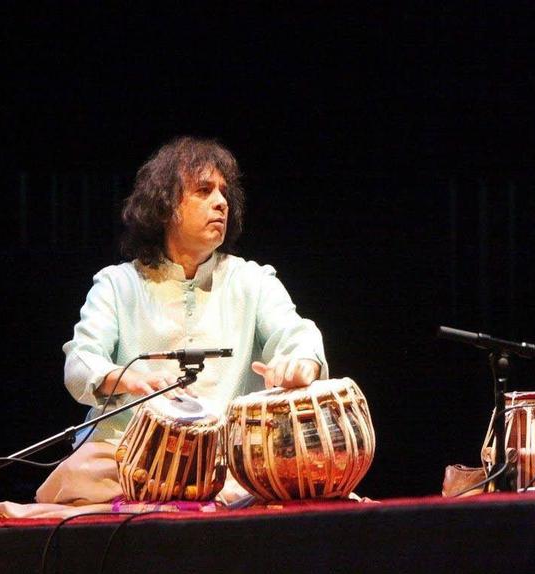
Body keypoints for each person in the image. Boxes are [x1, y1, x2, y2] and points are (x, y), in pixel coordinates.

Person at [36, 137, 328, 504]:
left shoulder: (251, 282)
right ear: (164, 207)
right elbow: (80, 363)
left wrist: (300, 363)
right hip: (126, 460)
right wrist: (129, 378)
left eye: (224, 193)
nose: (221, 202)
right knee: (75, 484)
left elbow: (295, 333)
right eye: (204, 191)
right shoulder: (118, 285)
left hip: (227, 468)